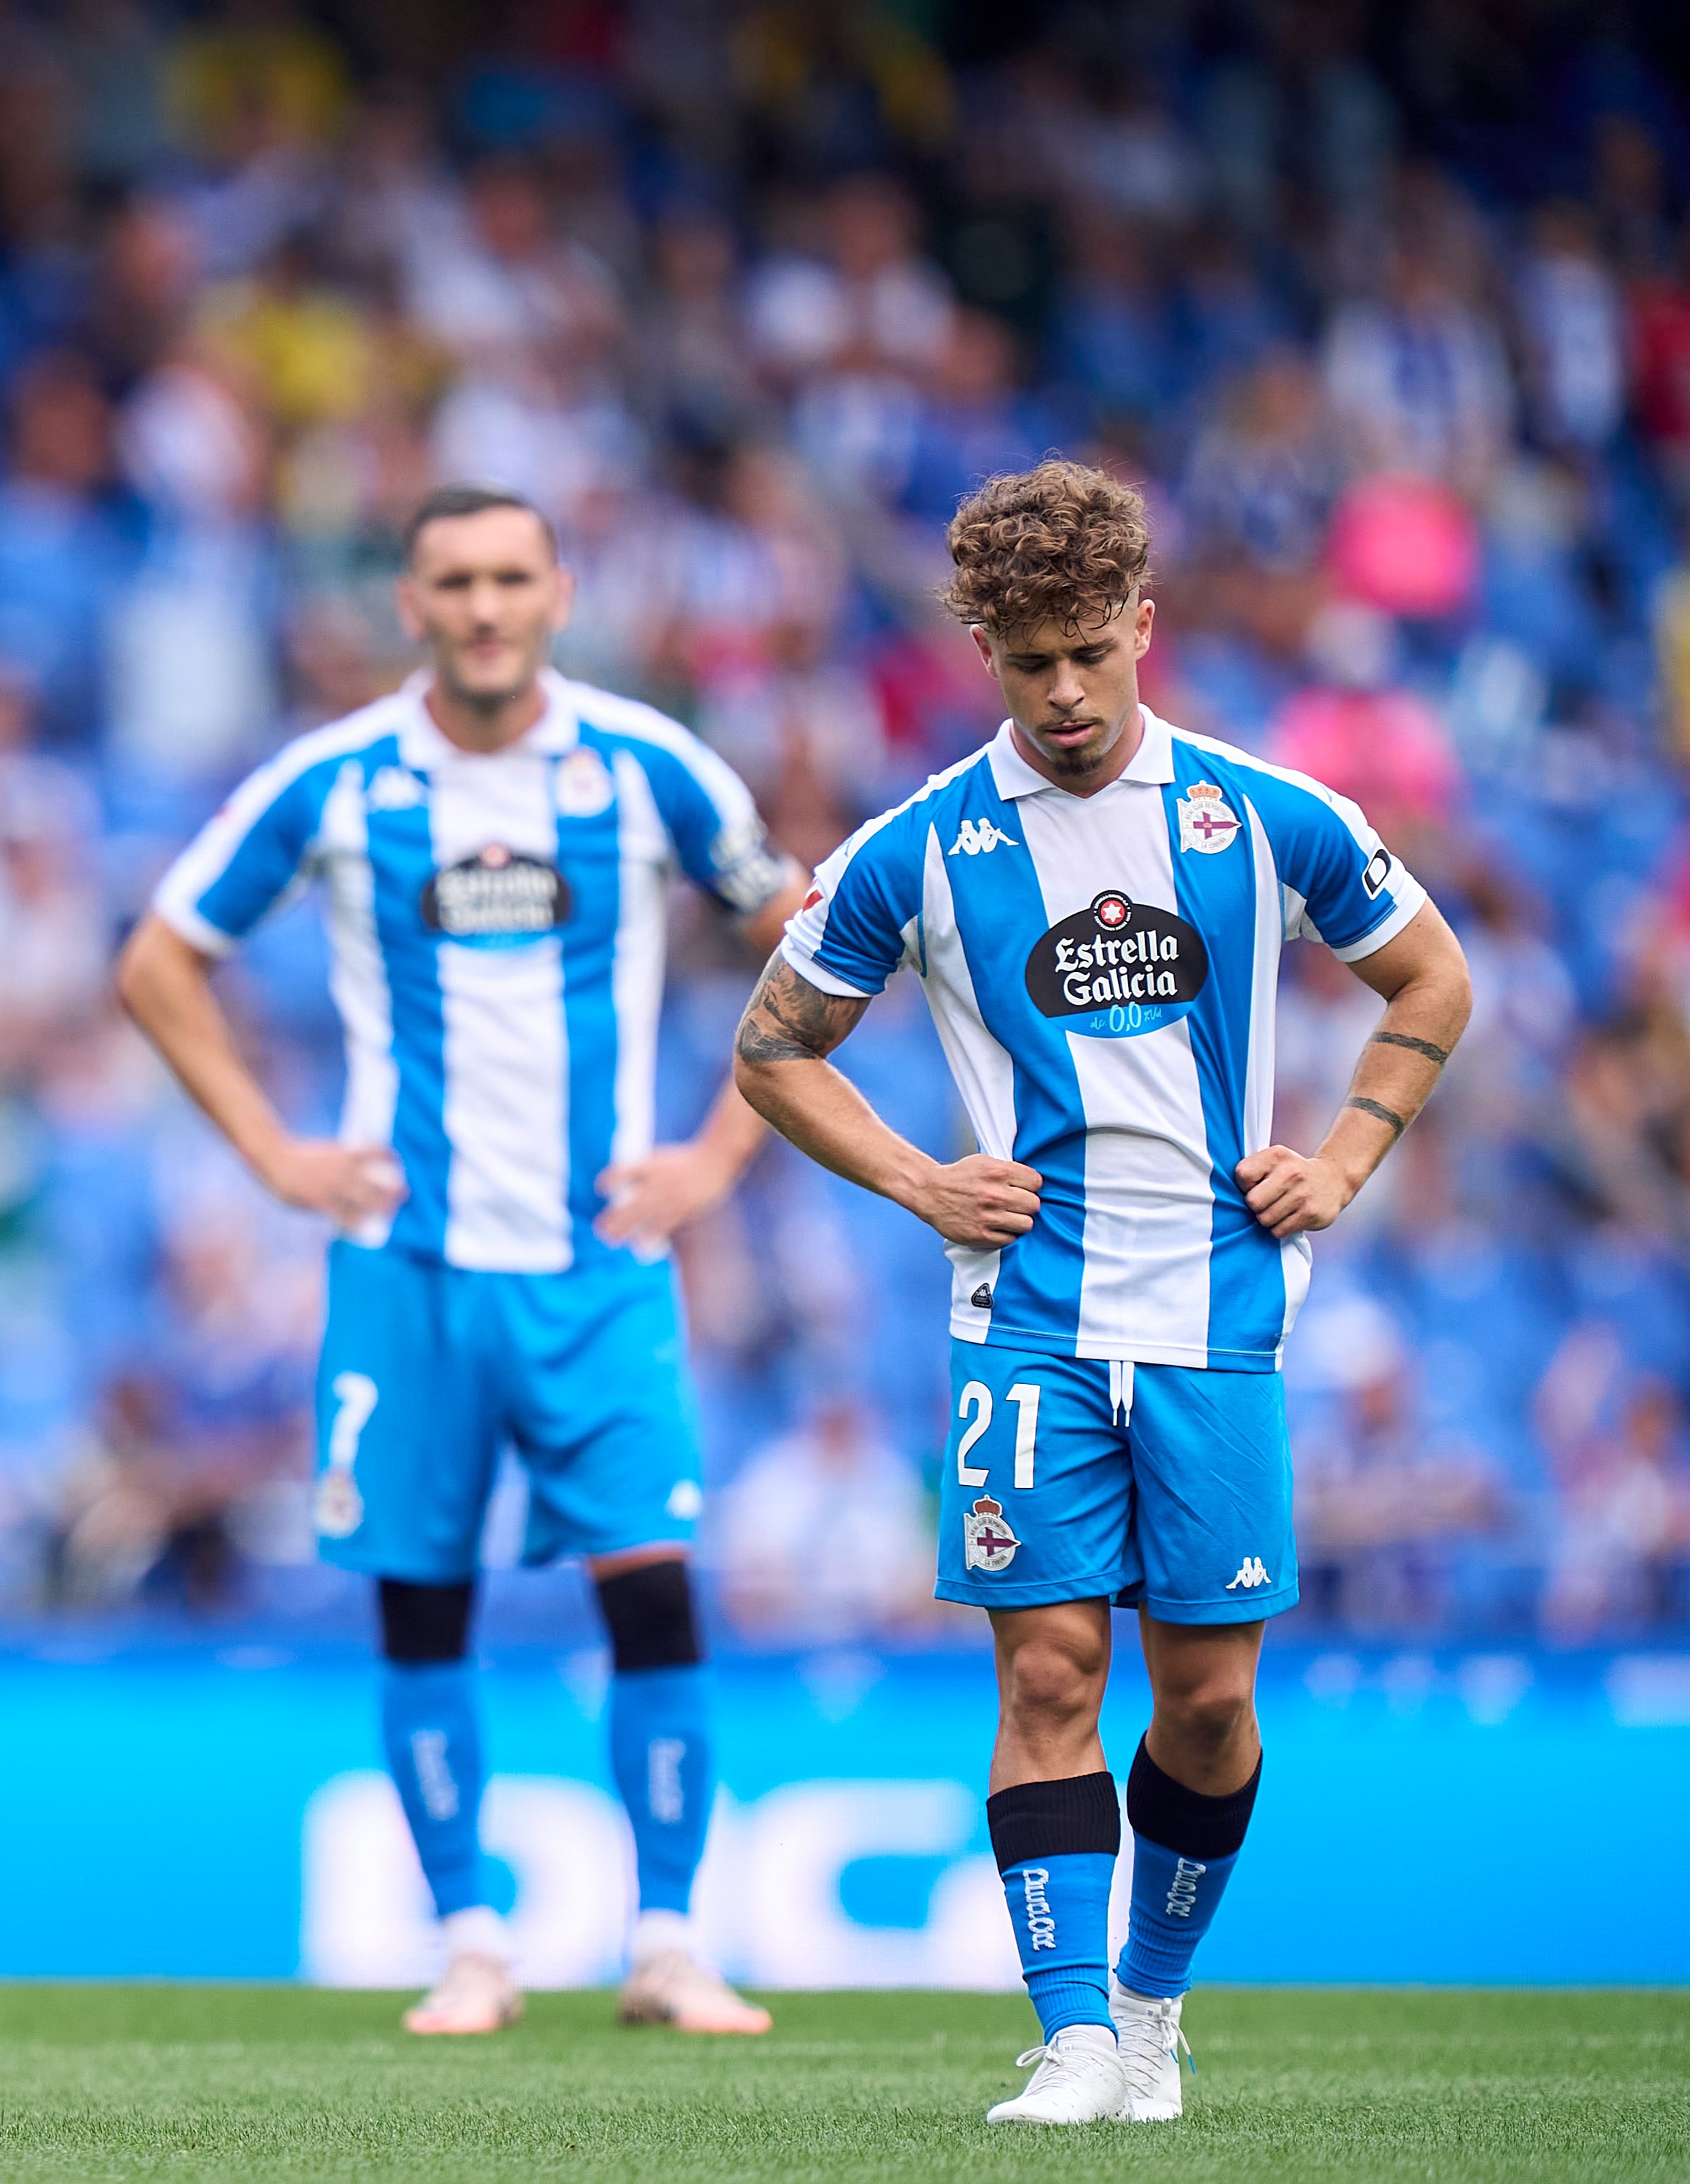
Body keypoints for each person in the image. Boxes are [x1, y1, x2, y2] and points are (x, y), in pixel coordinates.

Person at [729, 459, 1472, 2126]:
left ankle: (1149, 2009)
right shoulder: (914, 849)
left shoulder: (1261, 815)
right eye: (1025, 658)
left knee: (1208, 1708)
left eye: (1088, 650)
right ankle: (1069, 2039)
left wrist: (1345, 1158)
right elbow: (772, 1052)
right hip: (1029, 1325)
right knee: (1048, 1675)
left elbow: (1433, 975)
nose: (1062, 692)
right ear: (980, 653)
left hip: (1220, 1323)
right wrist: (921, 1181)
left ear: (1144, 627)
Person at [117, 484, 801, 2039]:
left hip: (599, 1260)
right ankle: (472, 1942)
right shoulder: (340, 782)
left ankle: (672, 1940)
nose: (485, 607)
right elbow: (159, 960)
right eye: (454, 582)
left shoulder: (648, 770)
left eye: (511, 578)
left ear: (559, 592)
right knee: (423, 1607)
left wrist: (717, 1154)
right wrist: (273, 1152)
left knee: (654, 1595)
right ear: (408, 604)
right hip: (404, 1270)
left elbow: (811, 940)